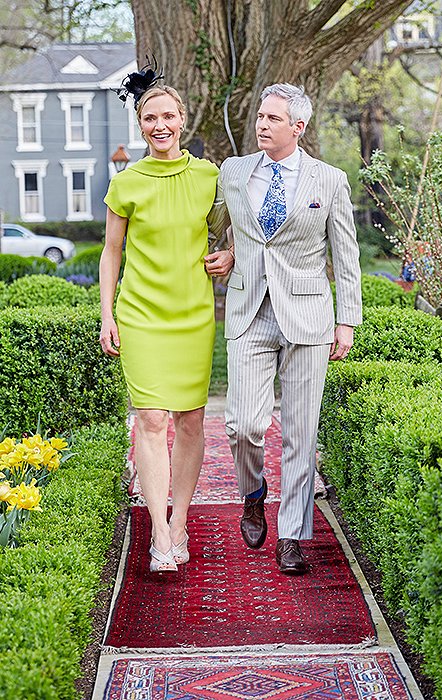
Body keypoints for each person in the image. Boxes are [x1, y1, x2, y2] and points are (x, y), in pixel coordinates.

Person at [204, 83, 362, 575]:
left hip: (309, 317)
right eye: (260, 116)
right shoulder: (233, 172)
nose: (262, 125)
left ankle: (291, 533)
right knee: (243, 425)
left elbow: (346, 254)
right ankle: (253, 494)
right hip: (249, 309)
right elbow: (218, 224)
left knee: (300, 431)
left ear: (298, 127)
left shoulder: (330, 180)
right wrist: (226, 249)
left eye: (274, 118)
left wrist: (346, 320)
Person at [99, 71, 234, 573]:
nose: (160, 125)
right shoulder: (125, 182)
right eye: (149, 118)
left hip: (193, 315)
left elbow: (231, 234)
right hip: (141, 314)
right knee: (152, 420)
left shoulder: (210, 176)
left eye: (167, 116)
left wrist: (232, 255)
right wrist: (106, 314)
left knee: (191, 420)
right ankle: (159, 531)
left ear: (182, 120)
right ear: (140, 125)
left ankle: (181, 524)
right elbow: (111, 254)